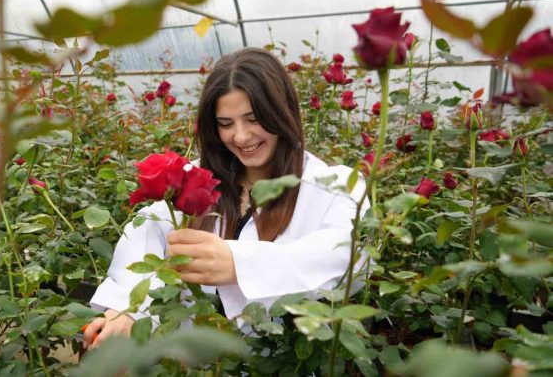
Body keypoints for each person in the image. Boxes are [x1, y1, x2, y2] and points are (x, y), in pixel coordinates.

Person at [84, 47, 368, 349]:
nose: (242, 137)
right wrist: (128, 312)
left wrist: (239, 264)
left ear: (282, 112)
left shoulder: (335, 185)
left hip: (278, 363)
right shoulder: (197, 179)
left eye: (254, 118)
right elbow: (145, 239)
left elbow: (345, 257)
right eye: (226, 124)